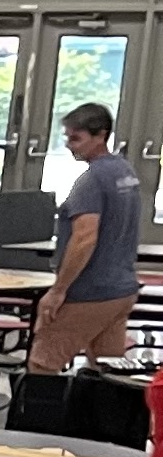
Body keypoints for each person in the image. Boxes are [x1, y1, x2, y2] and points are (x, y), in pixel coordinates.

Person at [34, 102, 143, 374]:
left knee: (43, 363)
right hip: (121, 290)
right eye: (67, 138)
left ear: (101, 136)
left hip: (90, 291)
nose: (70, 145)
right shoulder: (124, 172)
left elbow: (84, 238)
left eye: (76, 138)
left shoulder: (91, 180)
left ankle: (42, 418)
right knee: (106, 371)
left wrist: (58, 291)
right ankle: (103, 418)